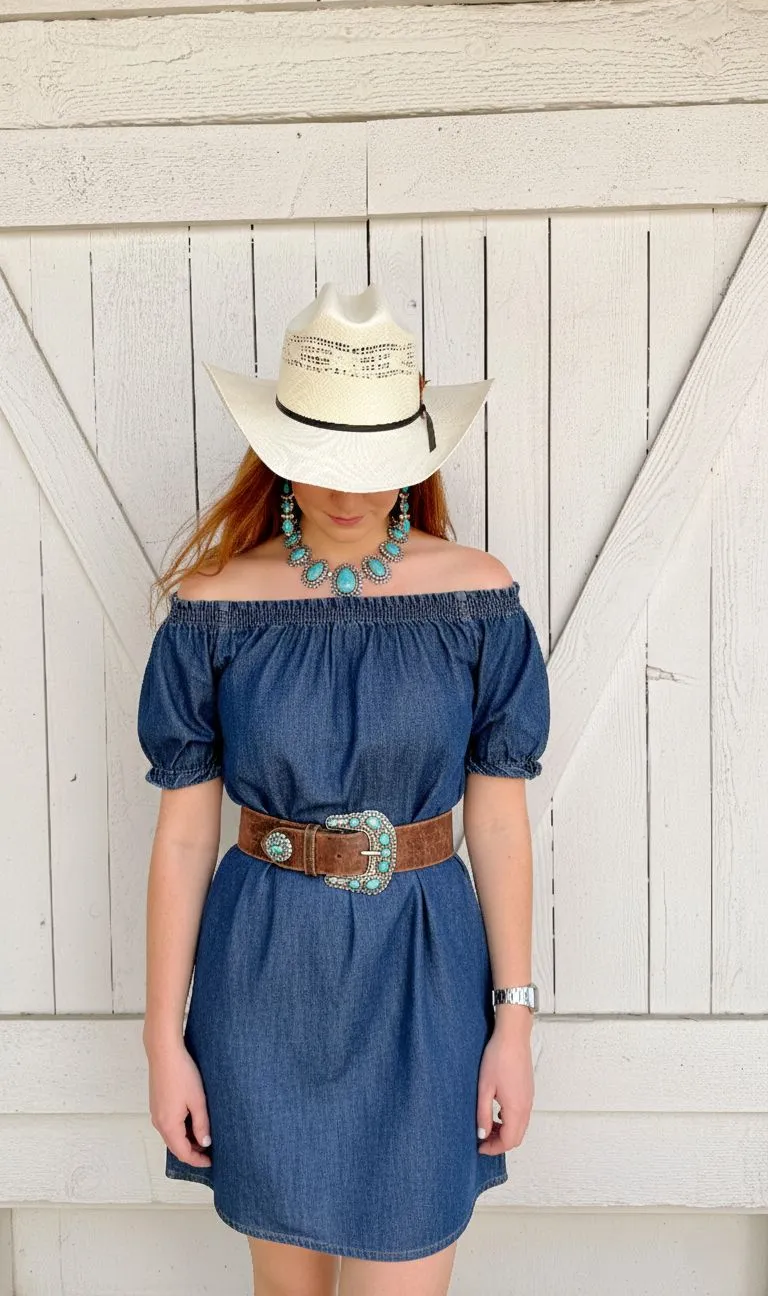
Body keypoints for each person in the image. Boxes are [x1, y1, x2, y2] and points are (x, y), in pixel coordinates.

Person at [137, 282, 550, 1296]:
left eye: (375, 464)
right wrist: (162, 1042)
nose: (350, 493)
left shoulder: (480, 600)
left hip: (424, 972)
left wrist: (515, 1023)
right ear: (278, 446)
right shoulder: (213, 613)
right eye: (327, 461)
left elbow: (496, 825)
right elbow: (188, 840)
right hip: (264, 974)